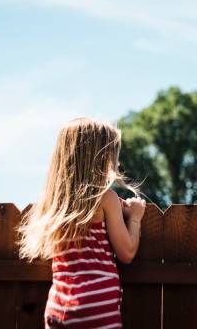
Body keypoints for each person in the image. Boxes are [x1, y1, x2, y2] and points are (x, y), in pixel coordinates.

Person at [17, 117, 146, 328]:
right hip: (96, 304)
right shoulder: (106, 199)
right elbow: (127, 252)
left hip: (58, 305)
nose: (117, 163)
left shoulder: (52, 204)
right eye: (113, 156)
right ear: (100, 158)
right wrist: (135, 217)